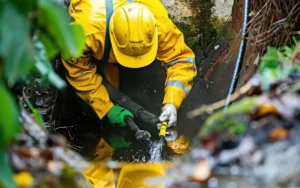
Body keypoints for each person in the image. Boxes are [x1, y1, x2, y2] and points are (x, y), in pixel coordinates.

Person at [62, 0, 197, 158]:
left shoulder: (158, 23)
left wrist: (172, 103)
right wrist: (106, 108)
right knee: (89, 103)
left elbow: (181, 60)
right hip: (98, 35)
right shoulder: (86, 33)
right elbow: (79, 71)